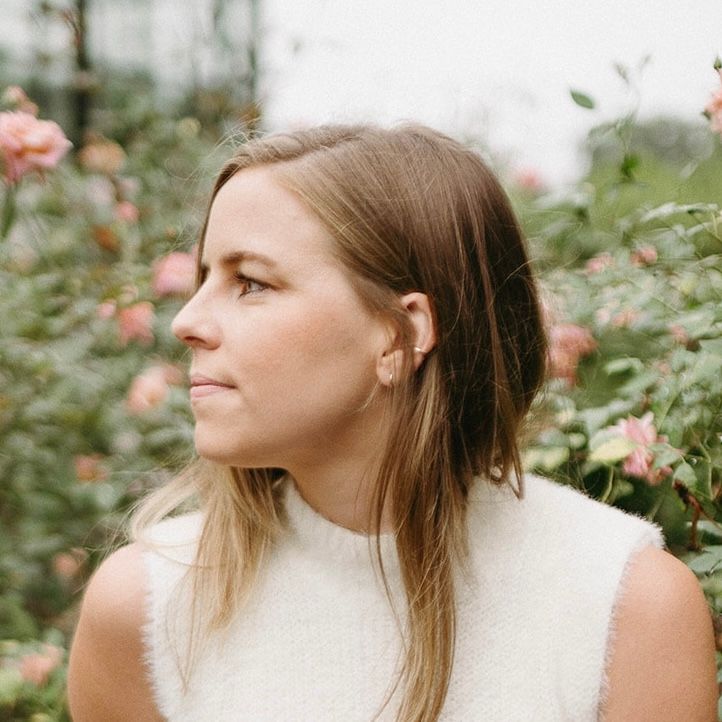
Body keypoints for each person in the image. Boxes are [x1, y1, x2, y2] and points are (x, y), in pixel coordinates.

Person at [67, 123, 717, 722]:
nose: (186, 322)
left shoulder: (624, 607)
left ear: (401, 335)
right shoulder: (145, 609)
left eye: (252, 283)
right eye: (205, 276)